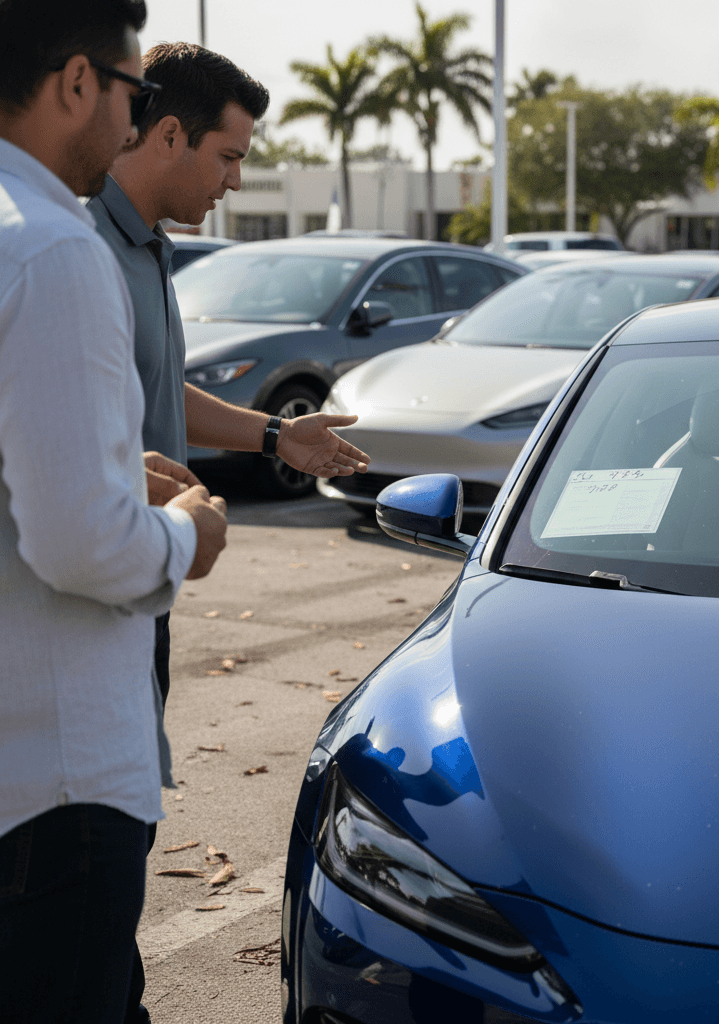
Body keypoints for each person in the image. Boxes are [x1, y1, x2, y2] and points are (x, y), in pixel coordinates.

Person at [84, 41, 371, 1023]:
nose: (236, 179)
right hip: (81, 618)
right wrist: (156, 508)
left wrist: (277, 434)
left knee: (107, 887)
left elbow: (162, 397)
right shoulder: (72, 251)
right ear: (167, 132)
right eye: (228, 155)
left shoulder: (140, 247)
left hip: (133, 606)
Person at [0, 2, 229, 1022]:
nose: (135, 120)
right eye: (134, 92)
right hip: (59, 788)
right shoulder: (54, 249)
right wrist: (190, 532)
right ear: (78, 82)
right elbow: (83, 544)